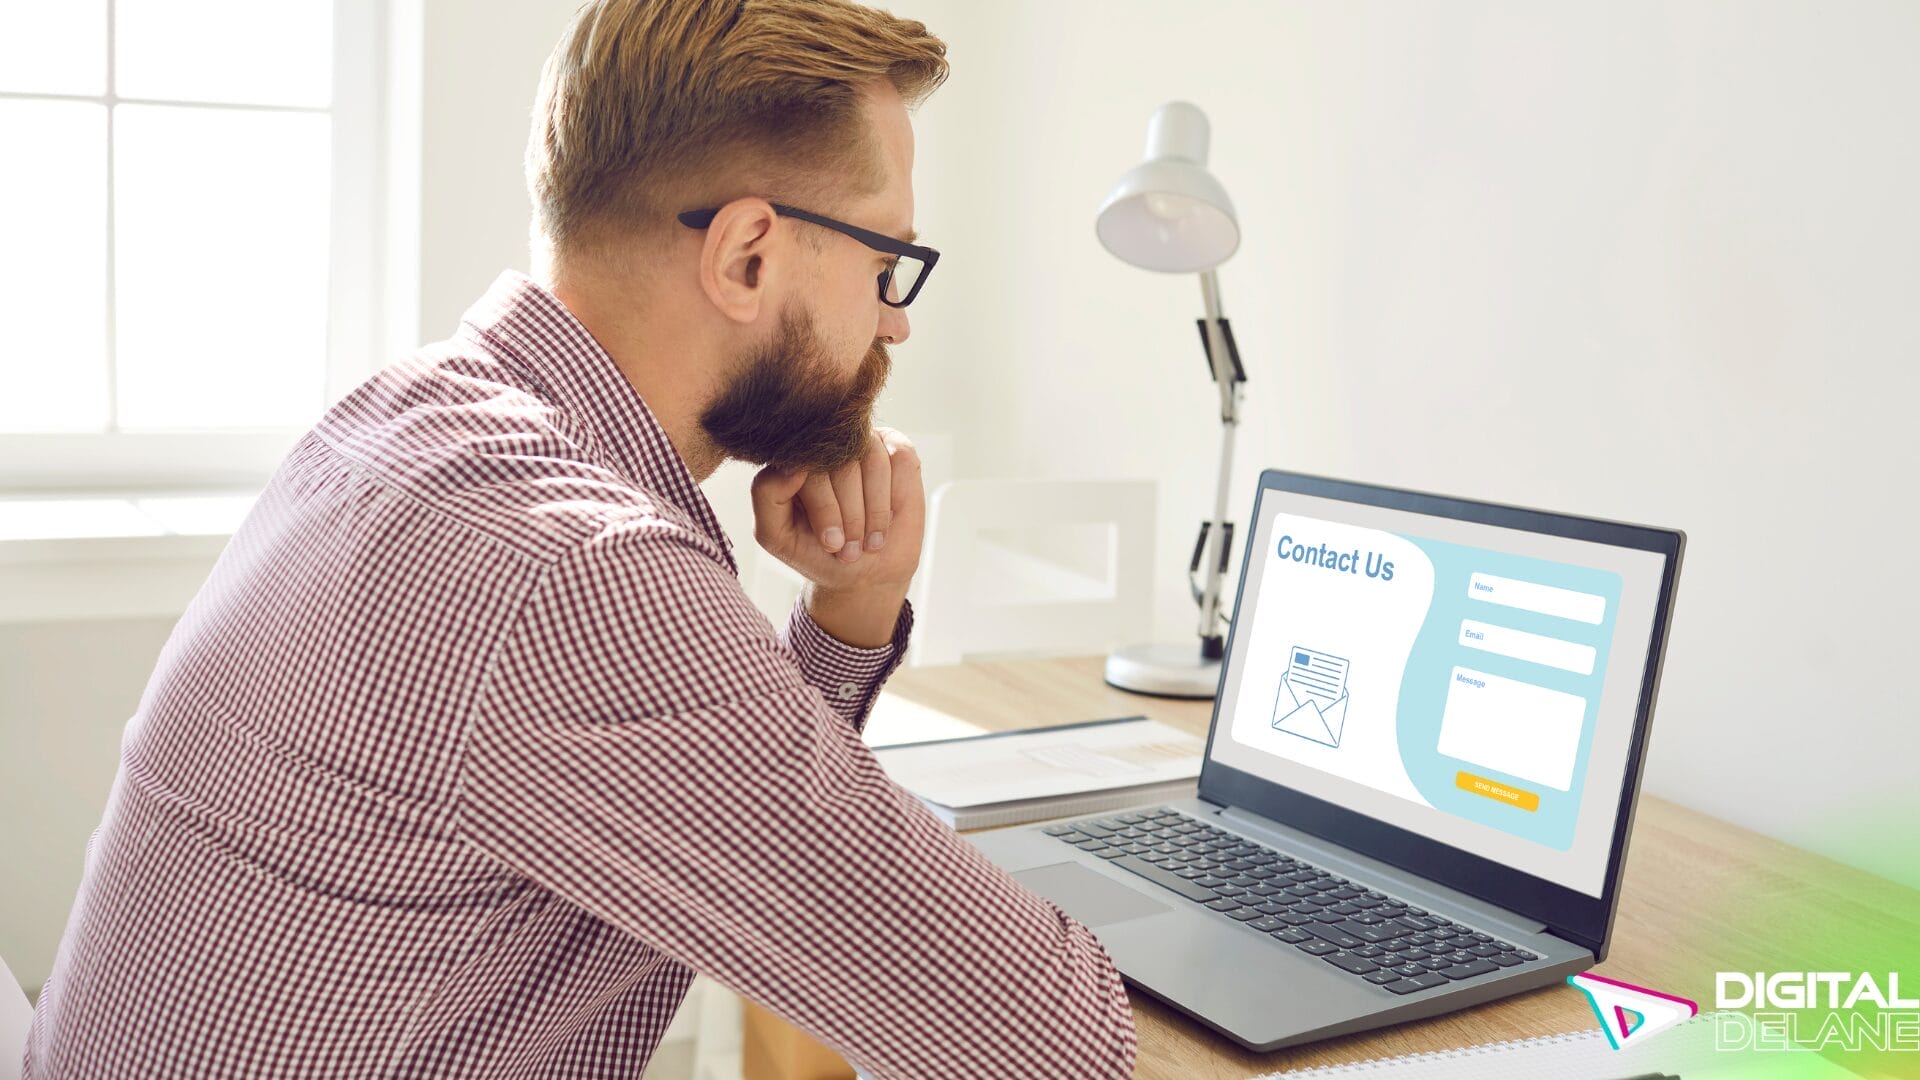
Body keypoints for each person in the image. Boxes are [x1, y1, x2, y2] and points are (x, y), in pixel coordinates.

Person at [23, 1, 1139, 1077]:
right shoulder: (580, 572)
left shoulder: (402, 419)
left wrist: (849, 613)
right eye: (884, 261)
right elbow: (1041, 1037)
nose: (893, 318)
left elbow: (744, 845)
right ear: (748, 254)